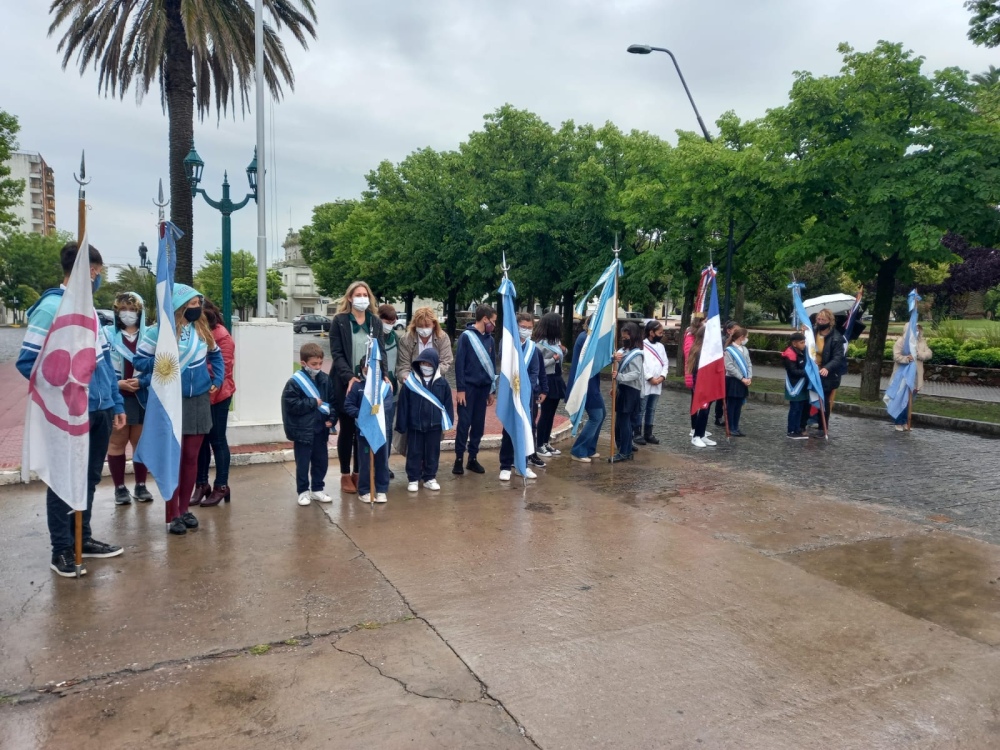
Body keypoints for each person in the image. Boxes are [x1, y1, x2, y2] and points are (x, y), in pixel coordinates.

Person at [16, 241, 126, 577]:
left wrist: (115, 402)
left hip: (101, 410)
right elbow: (29, 362)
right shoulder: (52, 308)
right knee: (64, 479)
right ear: (89, 270)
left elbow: (104, 363)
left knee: (90, 478)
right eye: (98, 272)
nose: (99, 278)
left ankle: (83, 537)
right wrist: (70, 386)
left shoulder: (90, 310)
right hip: (68, 414)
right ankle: (61, 549)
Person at [135, 284, 224, 535]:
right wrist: (164, 358)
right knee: (173, 457)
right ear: (180, 306)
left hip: (198, 401)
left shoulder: (201, 328)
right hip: (170, 400)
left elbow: (216, 355)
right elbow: (139, 361)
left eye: (199, 303)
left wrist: (217, 379)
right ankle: (172, 512)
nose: (199, 308)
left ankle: (184, 509)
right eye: (194, 304)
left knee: (191, 458)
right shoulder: (157, 332)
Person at [329, 281, 388, 494]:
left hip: (369, 384)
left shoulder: (375, 322)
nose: (362, 297)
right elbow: (336, 353)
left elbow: (381, 350)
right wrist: (349, 378)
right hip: (346, 384)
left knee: (362, 430)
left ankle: (358, 471)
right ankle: (345, 474)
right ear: (350, 298)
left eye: (365, 294)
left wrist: (385, 375)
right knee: (347, 430)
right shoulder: (340, 321)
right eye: (358, 294)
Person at [104, 292, 154, 505]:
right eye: (123, 309)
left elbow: (162, 366)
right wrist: (116, 384)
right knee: (117, 442)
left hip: (142, 396)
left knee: (140, 443)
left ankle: (141, 485)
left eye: (133, 310)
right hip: (116, 397)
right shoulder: (105, 335)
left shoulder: (150, 335)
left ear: (140, 312)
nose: (128, 314)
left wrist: (143, 382)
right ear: (116, 311)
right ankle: (119, 488)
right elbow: (99, 367)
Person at [282, 342, 335, 506]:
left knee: (321, 461)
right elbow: (291, 405)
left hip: (320, 429)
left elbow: (333, 401)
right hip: (303, 430)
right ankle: (303, 491)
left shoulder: (326, 379)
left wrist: (332, 419)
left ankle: (318, 488)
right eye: (314, 364)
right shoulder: (295, 382)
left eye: (320, 363)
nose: (318, 367)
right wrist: (312, 402)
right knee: (303, 463)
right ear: (303, 363)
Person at [194, 299, 236, 507]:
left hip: (218, 395)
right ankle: (201, 484)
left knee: (217, 440)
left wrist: (194, 374)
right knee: (199, 441)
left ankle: (221, 485)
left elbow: (223, 369)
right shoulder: (193, 332)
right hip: (198, 396)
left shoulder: (222, 336)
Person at [395, 347, 453, 492]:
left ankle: (430, 477)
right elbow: (403, 404)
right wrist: (402, 424)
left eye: (429, 364)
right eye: (423, 364)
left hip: (434, 425)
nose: (426, 367)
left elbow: (447, 404)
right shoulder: (411, 382)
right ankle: (413, 478)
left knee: (432, 453)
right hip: (415, 425)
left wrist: (448, 423)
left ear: (434, 364)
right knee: (414, 452)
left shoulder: (442, 383)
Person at [498, 312, 545, 480]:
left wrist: (528, 389)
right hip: (511, 393)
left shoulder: (533, 348)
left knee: (526, 430)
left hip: (527, 396)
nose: (526, 330)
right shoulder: (508, 344)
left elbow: (535, 372)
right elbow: (505, 367)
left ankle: (523, 465)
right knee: (509, 430)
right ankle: (505, 465)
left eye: (529, 328)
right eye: (523, 327)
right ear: (517, 327)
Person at [342, 349, 393, 503]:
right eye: (365, 370)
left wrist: (376, 412)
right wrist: (362, 413)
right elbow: (348, 405)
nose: (368, 373)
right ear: (361, 370)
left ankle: (382, 489)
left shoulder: (385, 387)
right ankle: (364, 490)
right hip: (364, 432)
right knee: (365, 462)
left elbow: (388, 405)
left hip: (381, 431)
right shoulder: (357, 387)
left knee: (382, 461)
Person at [453, 304, 497, 475]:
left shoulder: (491, 339)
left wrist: (492, 391)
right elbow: (460, 364)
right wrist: (461, 389)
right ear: (485, 319)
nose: (494, 325)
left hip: (483, 388)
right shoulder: (466, 337)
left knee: (478, 424)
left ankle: (472, 458)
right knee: (464, 423)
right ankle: (458, 459)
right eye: (493, 321)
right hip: (468, 388)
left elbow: (492, 366)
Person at [802, 307, 845, 434]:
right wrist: (803, 333)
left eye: (823, 319)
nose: (820, 322)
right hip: (812, 370)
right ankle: (802, 425)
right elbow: (802, 345)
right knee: (806, 398)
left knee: (823, 401)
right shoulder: (812, 332)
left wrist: (827, 368)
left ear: (829, 321)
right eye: (818, 319)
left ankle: (822, 427)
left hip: (827, 373)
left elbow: (838, 357)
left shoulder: (836, 337)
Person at [609, 321, 644, 463]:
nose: (624, 339)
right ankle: (624, 446)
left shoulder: (636, 354)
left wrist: (620, 377)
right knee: (620, 422)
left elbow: (636, 373)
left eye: (626, 337)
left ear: (633, 336)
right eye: (622, 337)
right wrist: (615, 385)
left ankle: (626, 451)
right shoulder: (623, 351)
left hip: (631, 390)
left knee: (624, 422)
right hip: (623, 388)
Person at [533, 312, 566, 457]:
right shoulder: (540, 345)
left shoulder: (555, 342)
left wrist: (564, 351)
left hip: (557, 379)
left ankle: (546, 442)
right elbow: (539, 364)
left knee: (552, 414)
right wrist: (553, 359)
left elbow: (561, 355)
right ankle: (539, 444)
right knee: (545, 414)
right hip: (547, 380)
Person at [890, 323, 933, 432]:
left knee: (910, 401)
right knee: (901, 400)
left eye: (918, 329)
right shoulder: (901, 342)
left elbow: (929, 353)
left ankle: (905, 421)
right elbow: (896, 356)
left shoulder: (922, 342)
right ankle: (898, 422)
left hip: (915, 377)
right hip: (903, 376)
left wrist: (920, 354)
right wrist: (906, 358)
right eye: (914, 329)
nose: (916, 331)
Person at [395, 307, 454, 384]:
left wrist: (429, 376)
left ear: (434, 324)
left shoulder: (442, 338)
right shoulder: (406, 339)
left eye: (427, 325)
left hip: (435, 381)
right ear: (415, 325)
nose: (423, 329)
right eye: (420, 326)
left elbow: (445, 361)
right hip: (413, 382)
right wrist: (405, 377)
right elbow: (403, 365)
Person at [378, 304, 401, 478]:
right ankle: (371, 465)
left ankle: (384, 464)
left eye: (393, 322)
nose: (390, 325)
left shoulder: (396, 339)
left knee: (387, 430)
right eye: (387, 321)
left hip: (391, 394)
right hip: (374, 392)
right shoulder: (372, 337)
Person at [637, 319, 668, 445]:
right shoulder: (642, 345)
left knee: (652, 408)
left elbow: (665, 363)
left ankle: (648, 433)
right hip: (646, 383)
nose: (662, 335)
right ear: (651, 332)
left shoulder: (661, 347)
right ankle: (637, 433)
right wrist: (650, 378)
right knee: (642, 408)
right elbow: (642, 364)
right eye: (660, 332)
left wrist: (662, 377)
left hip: (657, 384)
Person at [686, 326, 717, 448]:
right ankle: (696, 436)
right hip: (701, 384)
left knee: (706, 411)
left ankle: (702, 433)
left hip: (707, 384)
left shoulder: (705, 349)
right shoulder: (699, 350)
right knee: (703, 411)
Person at [683, 314, 710, 439]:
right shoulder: (691, 335)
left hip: (702, 373)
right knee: (695, 402)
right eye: (705, 320)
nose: (707, 322)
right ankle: (694, 428)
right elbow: (690, 355)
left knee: (702, 403)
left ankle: (700, 428)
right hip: (694, 373)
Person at [723, 326, 752, 436]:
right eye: (746, 337)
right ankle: (730, 427)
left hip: (743, 381)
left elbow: (749, 363)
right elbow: (729, 367)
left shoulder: (744, 349)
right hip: (733, 380)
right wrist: (742, 378)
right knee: (732, 405)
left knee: (739, 405)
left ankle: (736, 426)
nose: (746, 339)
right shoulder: (729, 350)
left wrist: (749, 377)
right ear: (741, 337)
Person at [782, 332, 809, 439]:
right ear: (794, 343)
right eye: (802, 342)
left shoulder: (802, 351)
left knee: (801, 408)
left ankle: (797, 429)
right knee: (795, 409)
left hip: (802, 385)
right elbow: (793, 371)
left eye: (804, 342)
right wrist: (808, 373)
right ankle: (791, 430)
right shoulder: (790, 354)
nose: (804, 344)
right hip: (794, 386)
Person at [714, 320, 739, 427]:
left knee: (728, 396)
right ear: (729, 331)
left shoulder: (737, 342)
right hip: (723, 371)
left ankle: (727, 417)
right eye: (735, 330)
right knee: (721, 396)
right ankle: (718, 416)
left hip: (732, 373)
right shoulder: (723, 340)